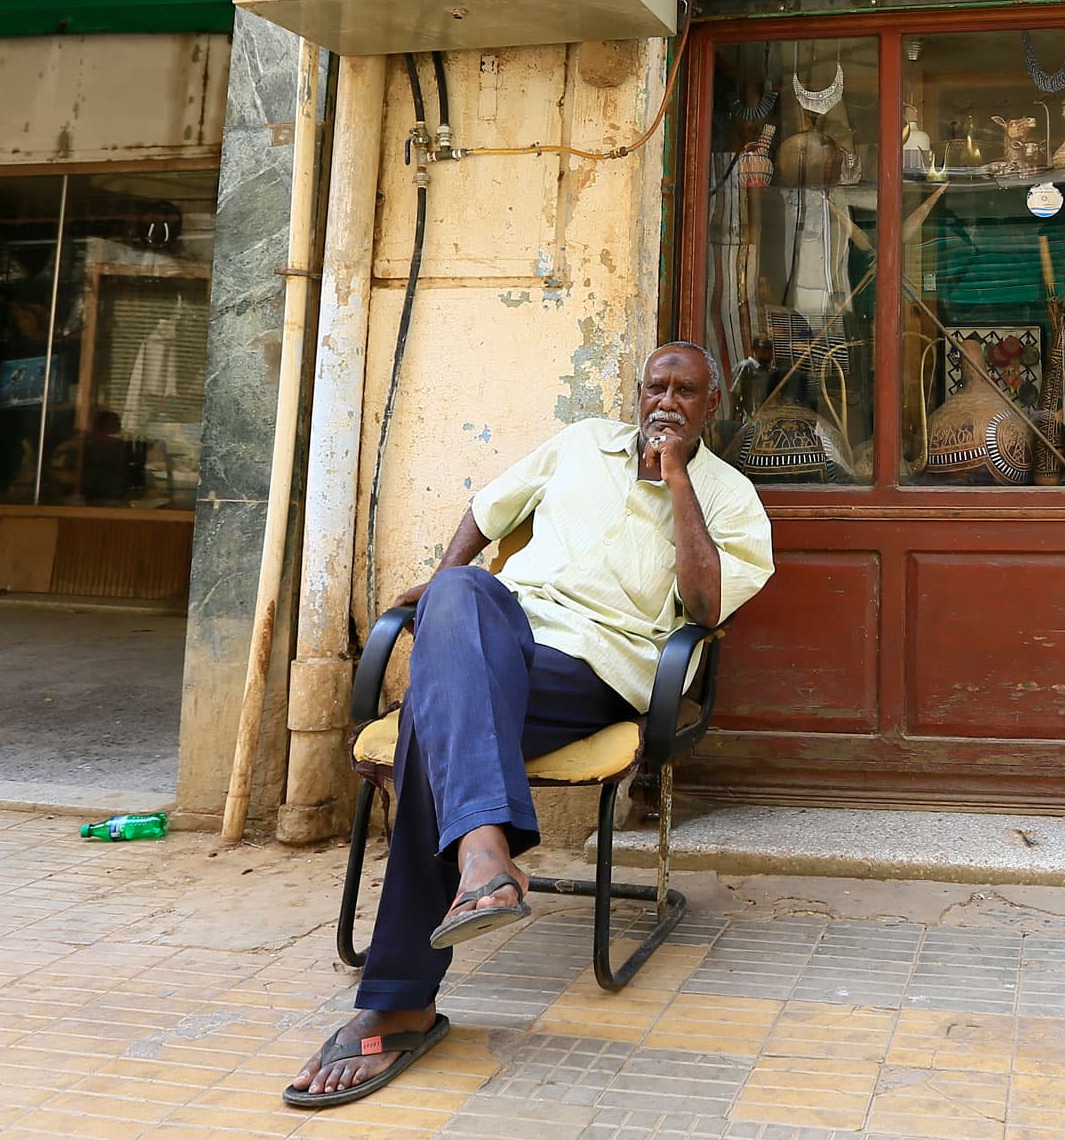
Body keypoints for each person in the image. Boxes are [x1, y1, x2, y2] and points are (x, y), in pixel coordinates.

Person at [286, 342, 772, 1109]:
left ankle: (403, 995)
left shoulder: (731, 496)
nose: (667, 402)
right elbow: (486, 516)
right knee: (456, 590)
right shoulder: (579, 444)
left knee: (431, 721)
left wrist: (676, 477)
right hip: (508, 635)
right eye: (656, 387)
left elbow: (707, 609)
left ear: (712, 406)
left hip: (596, 671)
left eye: (686, 392)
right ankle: (483, 859)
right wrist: (446, 587)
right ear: (637, 392)